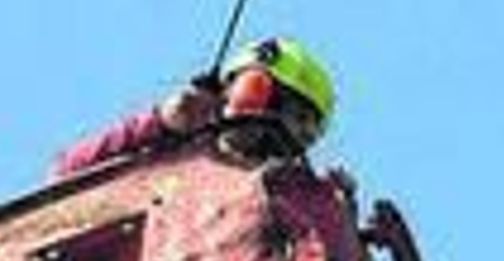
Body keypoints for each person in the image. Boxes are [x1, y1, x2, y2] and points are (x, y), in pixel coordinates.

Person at [50, 36, 336, 179]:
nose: (299, 132)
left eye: (308, 129)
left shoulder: (288, 189)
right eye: (298, 116)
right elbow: (64, 173)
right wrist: (159, 123)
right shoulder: (167, 149)